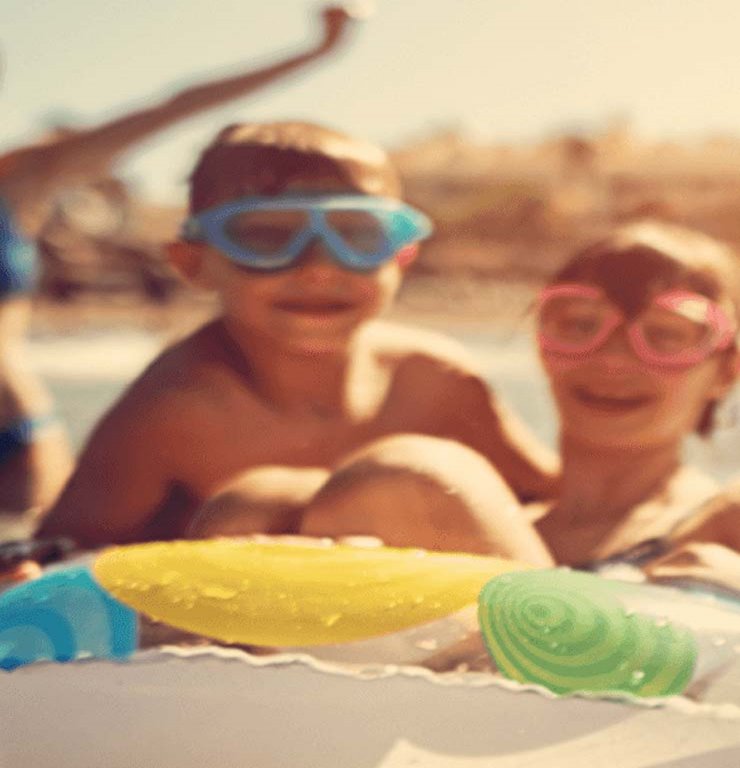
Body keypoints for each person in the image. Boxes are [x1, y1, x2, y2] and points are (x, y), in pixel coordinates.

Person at [33, 120, 559, 551]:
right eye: (266, 237)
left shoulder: (436, 379)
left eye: (357, 235)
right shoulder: (176, 410)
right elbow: (59, 558)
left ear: (402, 255)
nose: (319, 268)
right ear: (192, 264)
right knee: (253, 509)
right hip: (257, 651)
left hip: (422, 637)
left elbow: (551, 499)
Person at [0, 4, 356, 517]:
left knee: (36, 581)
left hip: (17, 434)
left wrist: (316, 51)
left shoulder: (21, 178)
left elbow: (174, 106)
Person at [289, 221, 740, 575]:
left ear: (726, 370)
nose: (613, 359)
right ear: (542, 344)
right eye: (581, 326)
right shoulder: (462, 521)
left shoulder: (721, 524)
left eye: (664, 336)